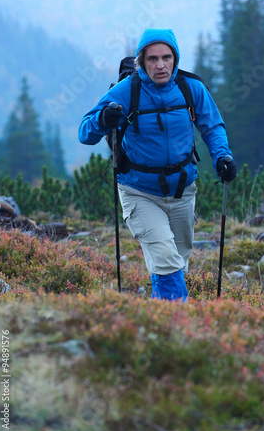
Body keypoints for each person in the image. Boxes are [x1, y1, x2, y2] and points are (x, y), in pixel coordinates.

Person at [78, 28, 237, 302]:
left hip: (182, 190)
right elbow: (85, 133)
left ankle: (159, 315)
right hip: (138, 191)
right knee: (165, 256)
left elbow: (212, 127)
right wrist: (103, 119)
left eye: (166, 57)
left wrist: (222, 156)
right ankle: (177, 323)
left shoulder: (191, 88)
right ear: (142, 61)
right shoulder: (127, 90)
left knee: (177, 259)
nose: (160, 65)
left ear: (175, 58)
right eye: (152, 59)